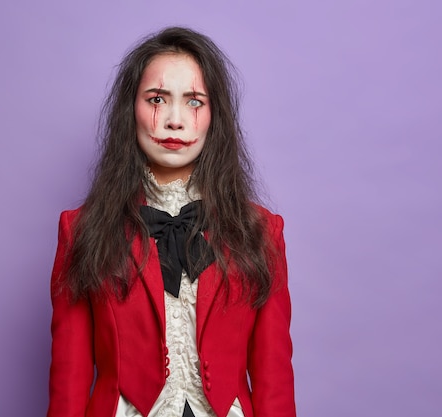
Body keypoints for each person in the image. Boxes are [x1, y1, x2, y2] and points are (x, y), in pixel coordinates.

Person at [47, 26, 295, 417]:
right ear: (131, 109)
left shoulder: (261, 232)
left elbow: (274, 377)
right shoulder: (80, 231)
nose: (175, 120)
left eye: (194, 101)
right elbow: (69, 378)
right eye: (158, 99)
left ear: (215, 116)